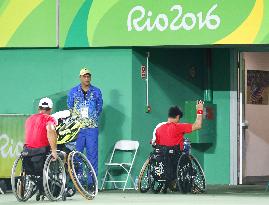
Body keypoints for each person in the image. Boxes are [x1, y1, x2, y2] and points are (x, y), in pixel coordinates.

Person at [151, 100, 204, 191]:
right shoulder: (179, 127)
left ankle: (170, 183)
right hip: (175, 156)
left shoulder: (159, 128)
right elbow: (198, 125)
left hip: (161, 156)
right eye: (179, 118)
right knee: (186, 147)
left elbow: (154, 143)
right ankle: (190, 185)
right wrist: (199, 110)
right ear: (178, 116)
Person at [67, 68, 103, 176]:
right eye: (84, 76)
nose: (87, 78)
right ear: (80, 78)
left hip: (92, 128)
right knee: (76, 155)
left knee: (92, 155)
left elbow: (99, 108)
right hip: (77, 129)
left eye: (88, 76)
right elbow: (70, 107)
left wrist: (92, 118)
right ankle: (78, 182)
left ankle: (92, 183)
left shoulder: (96, 91)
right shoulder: (73, 91)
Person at [23, 97, 58, 198]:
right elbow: (51, 131)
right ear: (50, 109)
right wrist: (54, 151)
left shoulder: (29, 119)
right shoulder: (49, 118)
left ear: (39, 108)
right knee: (62, 154)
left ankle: (35, 183)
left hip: (27, 152)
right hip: (40, 152)